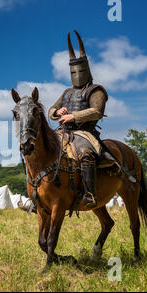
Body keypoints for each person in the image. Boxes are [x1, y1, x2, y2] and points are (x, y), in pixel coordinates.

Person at [48, 31, 108, 209]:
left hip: (85, 132)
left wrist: (74, 116)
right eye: (73, 71)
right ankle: (40, 195)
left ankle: (89, 194)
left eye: (80, 70)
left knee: (85, 154)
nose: (77, 74)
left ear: (87, 70)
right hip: (63, 132)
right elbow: (51, 110)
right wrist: (58, 112)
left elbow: (97, 111)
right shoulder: (67, 92)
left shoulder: (96, 90)